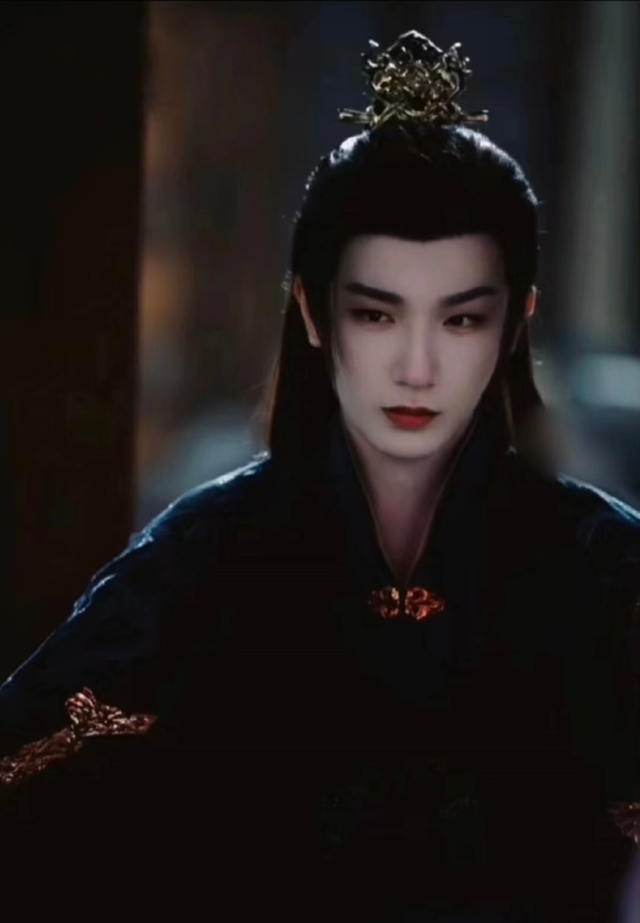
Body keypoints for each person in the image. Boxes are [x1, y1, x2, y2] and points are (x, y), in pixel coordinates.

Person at [0, 31, 638, 922]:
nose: (416, 367)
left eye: (461, 319)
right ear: (310, 309)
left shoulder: (605, 568)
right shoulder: (205, 557)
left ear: (515, 324)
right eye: (376, 314)